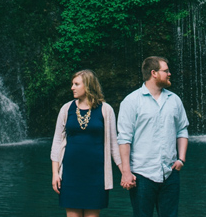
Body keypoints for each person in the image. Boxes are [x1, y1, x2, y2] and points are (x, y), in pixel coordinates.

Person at [117, 56, 189, 217]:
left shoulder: (174, 100)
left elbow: (182, 131)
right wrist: (126, 172)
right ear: (153, 73)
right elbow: (124, 139)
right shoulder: (131, 101)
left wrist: (181, 159)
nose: (170, 74)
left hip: (170, 172)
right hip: (142, 174)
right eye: (166, 71)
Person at [50, 69, 122, 217]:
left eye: (76, 84)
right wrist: (55, 174)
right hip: (70, 174)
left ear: (88, 85)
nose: (72, 88)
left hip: (96, 174)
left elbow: (114, 144)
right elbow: (57, 142)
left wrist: (124, 172)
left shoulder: (105, 110)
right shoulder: (66, 108)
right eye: (72, 84)